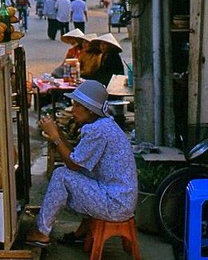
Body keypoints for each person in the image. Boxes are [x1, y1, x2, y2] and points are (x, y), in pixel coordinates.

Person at [26, 80, 138, 247]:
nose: (73, 110)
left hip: (116, 203)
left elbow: (73, 164)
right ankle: (82, 231)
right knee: (78, 174)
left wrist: (56, 137)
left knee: (61, 175)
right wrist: (59, 135)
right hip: (119, 197)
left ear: (91, 111)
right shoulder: (103, 125)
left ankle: (42, 232)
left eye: (78, 106)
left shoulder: (97, 130)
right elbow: (77, 157)